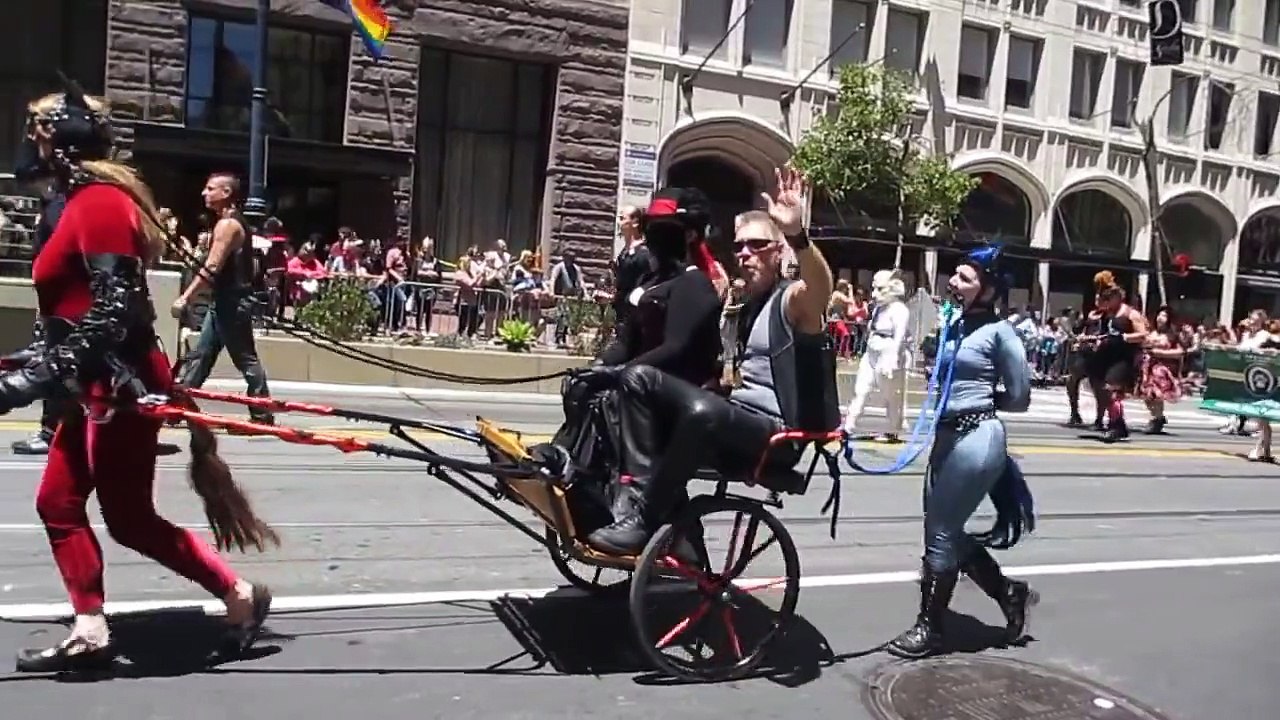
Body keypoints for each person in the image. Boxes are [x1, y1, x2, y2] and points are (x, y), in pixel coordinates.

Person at [2, 79, 275, 672]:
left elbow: (116, 307)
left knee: (128, 519)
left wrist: (45, 375)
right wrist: (38, 362)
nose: (31, 142)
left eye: (39, 130)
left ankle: (239, 597)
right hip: (95, 383)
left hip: (124, 383)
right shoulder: (76, 204)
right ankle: (91, 626)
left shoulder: (101, 204)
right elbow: (69, 310)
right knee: (59, 501)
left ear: (65, 139)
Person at [581, 168, 838, 555]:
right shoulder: (741, 307)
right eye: (739, 247)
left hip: (775, 434)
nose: (745, 255)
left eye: (758, 246)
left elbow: (821, 287)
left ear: (779, 251)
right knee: (637, 379)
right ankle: (665, 521)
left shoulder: (793, 302)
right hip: (735, 416)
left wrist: (797, 234)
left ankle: (645, 519)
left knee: (701, 412)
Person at [886, 244, 1036, 659]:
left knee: (940, 534)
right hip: (945, 438)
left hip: (977, 438)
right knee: (942, 531)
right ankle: (1008, 593)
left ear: (987, 291)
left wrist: (980, 403)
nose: (954, 282)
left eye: (966, 278)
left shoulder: (1001, 334)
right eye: (954, 274)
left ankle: (930, 628)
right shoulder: (953, 325)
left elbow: (1021, 397)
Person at [171, 172, 273, 425]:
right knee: (202, 354)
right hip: (226, 301)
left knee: (245, 358)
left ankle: (262, 413)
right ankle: (178, 406)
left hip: (233, 302)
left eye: (210, 188)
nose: (204, 193)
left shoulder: (227, 225)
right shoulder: (231, 222)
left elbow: (212, 266)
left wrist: (185, 297)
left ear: (226, 193)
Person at [842, 269, 912, 442]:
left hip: (889, 351)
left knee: (891, 394)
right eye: (875, 289)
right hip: (872, 349)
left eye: (880, 289)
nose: (875, 294)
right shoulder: (879, 308)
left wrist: (894, 357)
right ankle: (849, 425)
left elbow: (900, 335)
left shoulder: (899, 309)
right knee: (861, 388)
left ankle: (894, 428)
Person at [1078, 272, 1147, 443]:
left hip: (1123, 357)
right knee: (1103, 390)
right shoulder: (1106, 314)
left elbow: (1143, 334)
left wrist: (1124, 337)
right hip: (1106, 356)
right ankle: (1118, 424)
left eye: (1109, 298)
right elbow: (1104, 334)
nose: (1106, 302)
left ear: (1118, 297)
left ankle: (1116, 426)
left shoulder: (1131, 314)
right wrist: (1090, 339)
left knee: (1112, 390)